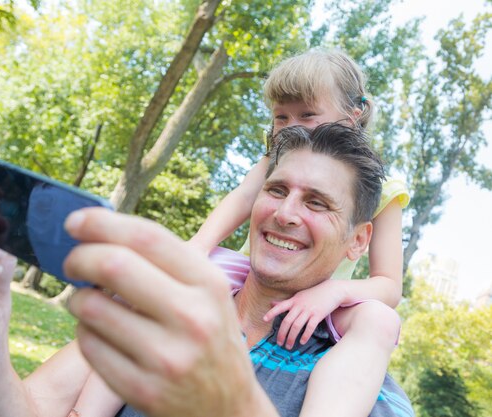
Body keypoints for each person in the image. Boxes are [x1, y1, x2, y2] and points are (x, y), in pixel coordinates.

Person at [0, 123, 414, 417]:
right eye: (276, 189)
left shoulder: (363, 379)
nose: (286, 212)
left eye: (317, 203)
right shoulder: (160, 311)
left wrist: (229, 403)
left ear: (358, 242)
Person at [74, 49, 410, 417]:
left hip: (331, 298)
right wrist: (199, 246)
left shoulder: (380, 186)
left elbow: (389, 285)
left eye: (307, 115)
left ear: (353, 114)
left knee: (379, 320)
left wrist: (334, 292)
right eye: (281, 117)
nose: (292, 126)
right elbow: (242, 199)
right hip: (252, 275)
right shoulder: (274, 158)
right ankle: (88, 409)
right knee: (159, 282)